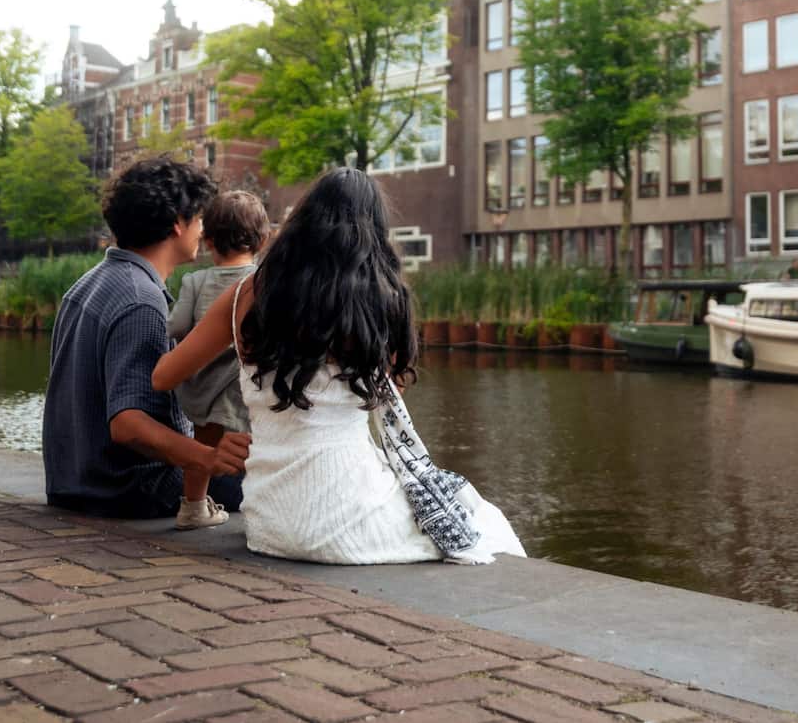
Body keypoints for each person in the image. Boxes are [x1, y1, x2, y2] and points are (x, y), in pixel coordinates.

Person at [154, 168, 524, 565]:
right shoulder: (380, 299)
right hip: (349, 516)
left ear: (302, 224)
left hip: (270, 523)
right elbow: (388, 391)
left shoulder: (244, 294)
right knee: (482, 517)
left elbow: (163, 377)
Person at [42, 158, 248, 519]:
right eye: (198, 218)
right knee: (267, 475)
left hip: (73, 481)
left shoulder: (86, 284)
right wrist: (207, 457)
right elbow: (127, 425)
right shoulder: (142, 299)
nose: (202, 229)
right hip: (128, 489)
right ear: (176, 225)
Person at [165, 190, 269, 530]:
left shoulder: (195, 281)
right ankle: (264, 510)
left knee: (203, 446)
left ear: (208, 240)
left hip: (202, 387)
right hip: (245, 387)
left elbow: (176, 327)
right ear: (263, 240)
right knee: (258, 447)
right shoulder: (263, 284)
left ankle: (193, 508)